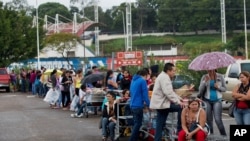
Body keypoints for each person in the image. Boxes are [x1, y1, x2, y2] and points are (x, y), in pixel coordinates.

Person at [150, 62, 185, 141]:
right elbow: (168, 92)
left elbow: (170, 92)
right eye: (173, 71)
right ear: (168, 71)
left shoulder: (163, 76)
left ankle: (157, 139)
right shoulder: (165, 78)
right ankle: (179, 130)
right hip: (162, 104)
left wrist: (179, 98)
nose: (174, 72)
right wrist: (179, 102)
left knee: (160, 124)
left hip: (161, 104)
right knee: (181, 107)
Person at [198, 69, 227, 136]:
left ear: (215, 69)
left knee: (218, 119)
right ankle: (211, 136)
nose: (210, 71)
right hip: (206, 100)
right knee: (209, 120)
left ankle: (224, 136)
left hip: (217, 100)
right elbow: (200, 90)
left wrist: (218, 87)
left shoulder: (220, 76)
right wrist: (204, 82)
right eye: (208, 70)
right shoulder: (204, 76)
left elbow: (225, 89)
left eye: (211, 70)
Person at [129, 69, 150, 141]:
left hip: (132, 104)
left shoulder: (133, 80)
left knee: (136, 124)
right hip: (138, 105)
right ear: (145, 75)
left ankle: (134, 139)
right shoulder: (142, 81)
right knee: (138, 124)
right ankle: (132, 139)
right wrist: (149, 104)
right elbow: (145, 95)